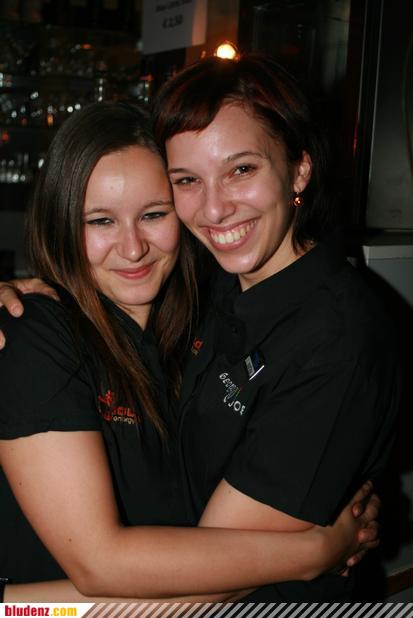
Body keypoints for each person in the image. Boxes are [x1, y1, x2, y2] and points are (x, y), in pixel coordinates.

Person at [0, 99, 379, 603]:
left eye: (154, 214)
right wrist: (315, 552)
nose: (133, 248)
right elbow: (96, 565)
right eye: (101, 221)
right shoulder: (35, 333)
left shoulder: (195, 325)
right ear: (62, 224)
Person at [151, 54, 400, 600]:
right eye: (187, 180)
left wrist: (25, 607)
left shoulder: (336, 340)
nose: (214, 210)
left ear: (299, 169)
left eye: (241, 170)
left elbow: (203, 585)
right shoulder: (214, 281)